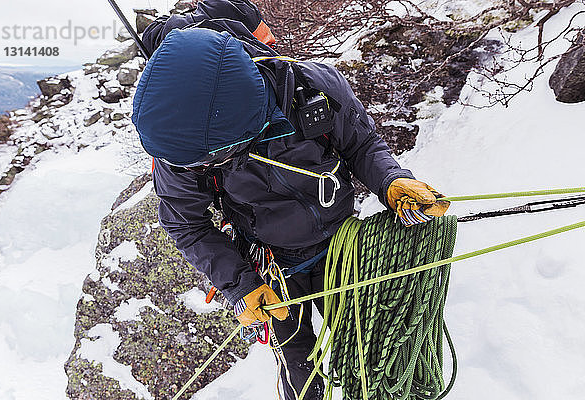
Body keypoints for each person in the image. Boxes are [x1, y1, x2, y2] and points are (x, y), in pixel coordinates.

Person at [132, 1, 449, 398]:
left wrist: (391, 181)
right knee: (301, 369)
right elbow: (186, 224)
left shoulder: (312, 88)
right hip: (269, 266)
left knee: (370, 356)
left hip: (344, 247)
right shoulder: (181, 148)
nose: (204, 166)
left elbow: (362, 144)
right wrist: (241, 285)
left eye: (217, 157)